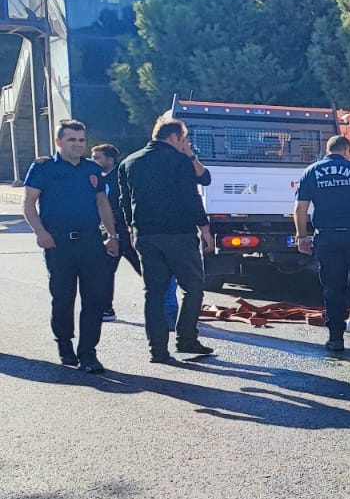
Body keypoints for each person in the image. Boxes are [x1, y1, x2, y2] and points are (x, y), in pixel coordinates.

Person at [21, 119, 121, 373]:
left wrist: (113, 235)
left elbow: (102, 204)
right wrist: (40, 232)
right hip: (58, 243)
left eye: (81, 140)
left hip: (90, 241)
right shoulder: (43, 167)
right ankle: (64, 343)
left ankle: (88, 353)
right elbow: (29, 203)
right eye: (71, 140)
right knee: (63, 298)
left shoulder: (92, 168)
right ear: (59, 142)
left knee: (95, 299)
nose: (78, 144)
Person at [119, 118, 216, 363]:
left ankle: (157, 350)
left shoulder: (129, 162)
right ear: (174, 138)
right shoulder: (180, 161)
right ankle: (186, 339)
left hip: (146, 235)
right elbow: (198, 187)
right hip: (179, 234)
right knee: (193, 287)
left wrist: (132, 228)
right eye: (183, 140)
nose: (185, 144)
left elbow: (124, 201)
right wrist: (205, 229)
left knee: (154, 292)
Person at [294, 134, 350, 353]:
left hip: (327, 238)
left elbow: (300, 208)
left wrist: (301, 236)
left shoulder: (311, 172)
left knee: (333, 289)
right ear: (346, 150)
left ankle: (335, 339)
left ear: (328, 150)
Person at [90, 143, 132, 320]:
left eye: (97, 158)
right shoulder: (96, 177)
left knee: (147, 269)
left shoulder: (121, 176)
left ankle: (165, 306)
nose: (94, 161)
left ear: (110, 159)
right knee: (104, 272)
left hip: (125, 231)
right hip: (107, 232)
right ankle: (106, 309)